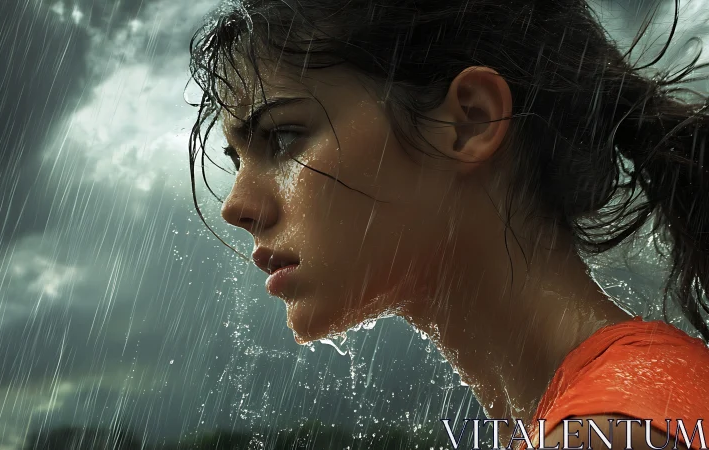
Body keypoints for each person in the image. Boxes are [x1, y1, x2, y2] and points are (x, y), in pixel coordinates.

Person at [186, 0, 709, 448]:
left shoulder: (620, 428)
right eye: (236, 160)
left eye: (282, 138)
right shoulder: (626, 405)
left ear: (470, 122)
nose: (236, 205)